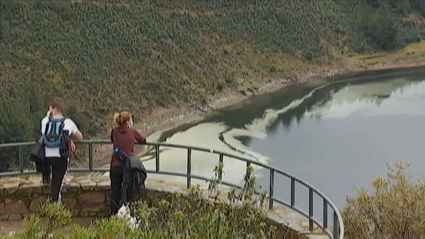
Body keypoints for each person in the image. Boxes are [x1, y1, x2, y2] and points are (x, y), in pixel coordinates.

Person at [41, 103, 83, 203]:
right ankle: (55, 212)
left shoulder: (45, 121)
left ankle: (46, 177)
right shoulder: (68, 122)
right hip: (60, 157)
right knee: (57, 186)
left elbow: (44, 134)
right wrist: (70, 140)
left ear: (54, 110)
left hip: (45, 157)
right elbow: (80, 137)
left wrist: (48, 114)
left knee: (51, 184)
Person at [110, 111, 146, 215]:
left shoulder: (114, 132)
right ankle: (126, 215)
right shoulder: (132, 132)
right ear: (128, 121)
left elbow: (113, 140)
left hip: (115, 166)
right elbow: (143, 140)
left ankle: (113, 217)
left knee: (115, 193)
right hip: (128, 167)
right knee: (128, 193)